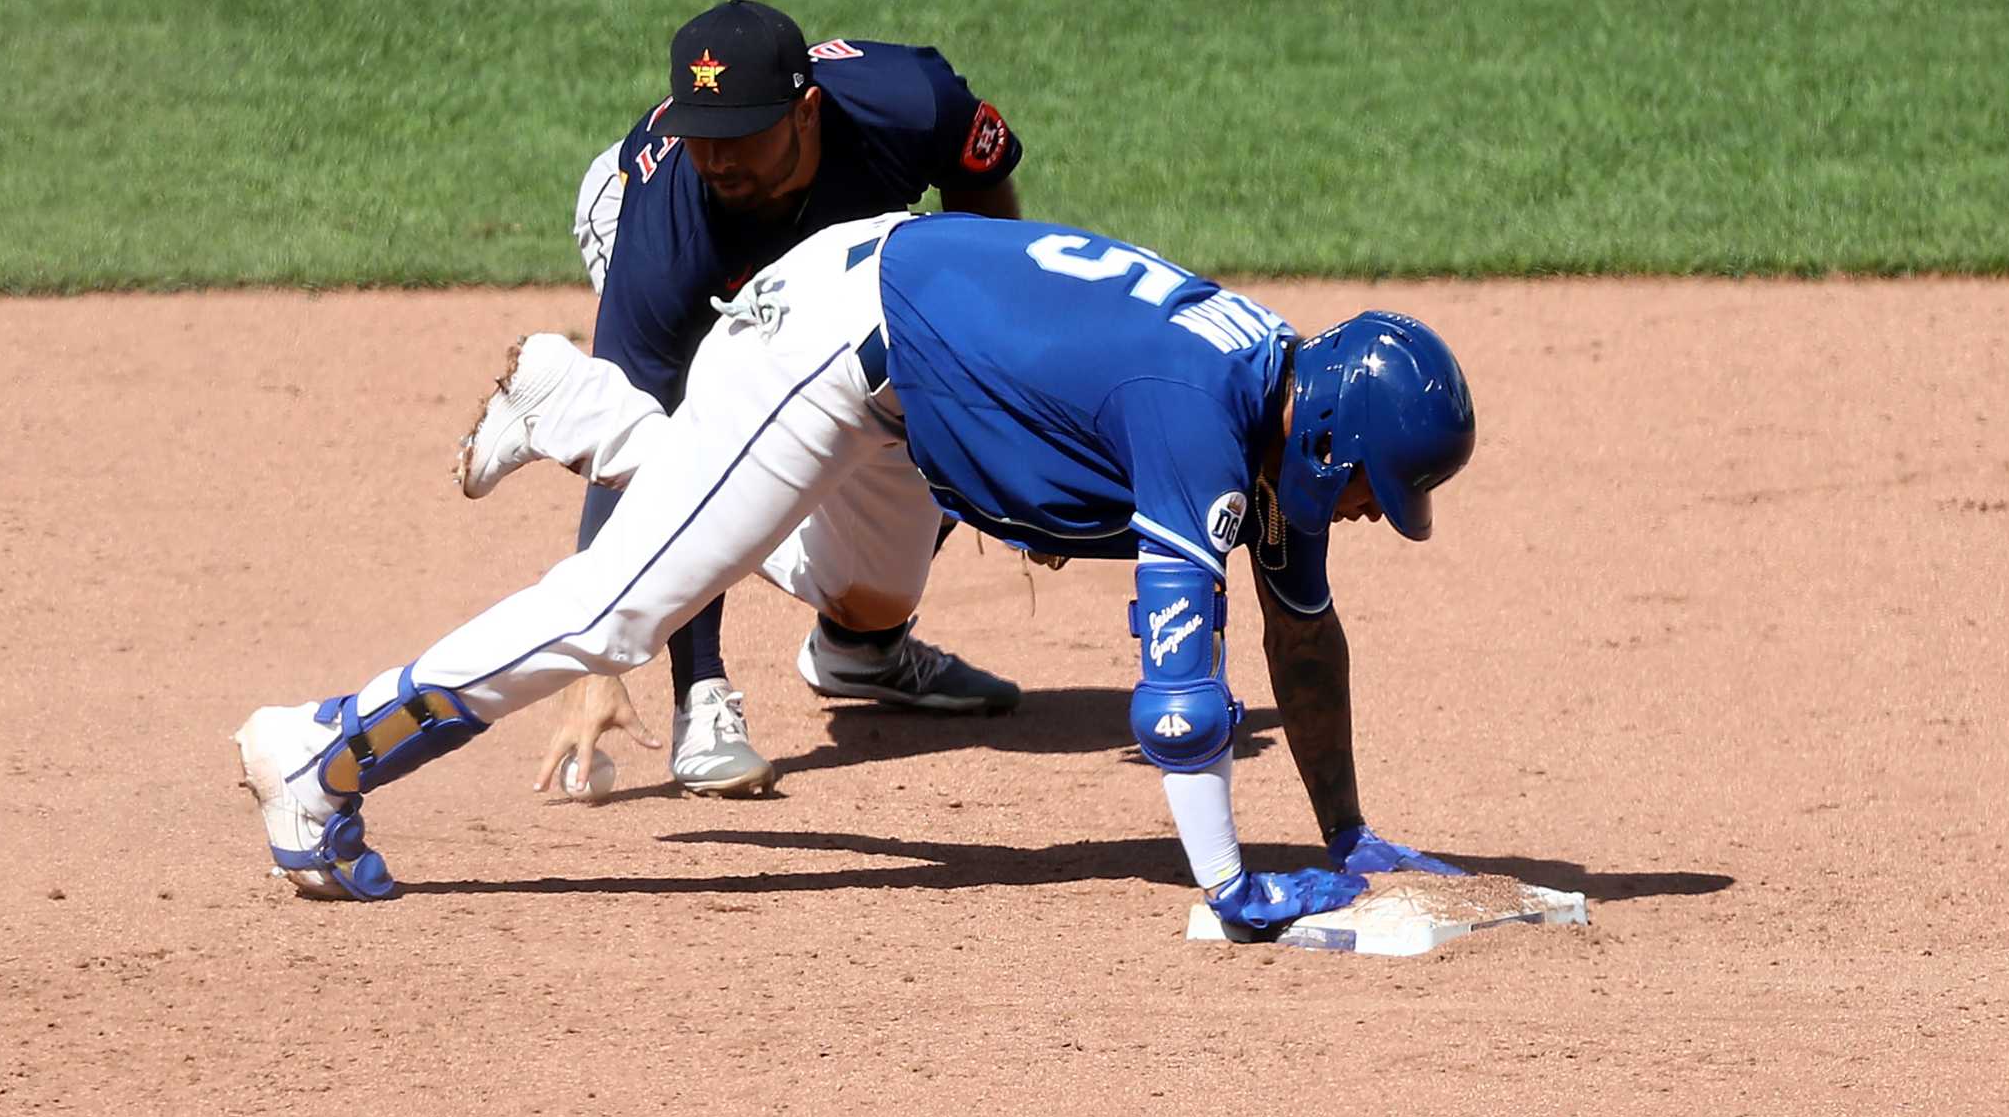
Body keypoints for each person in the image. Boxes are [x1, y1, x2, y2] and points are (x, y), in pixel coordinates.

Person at [237, 211, 1476, 939]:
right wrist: (1229, 887)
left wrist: (1351, 838)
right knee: (624, 610)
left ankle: (611, 422)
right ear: (1331, 445)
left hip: (905, 384)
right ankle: (322, 750)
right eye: (1380, 489)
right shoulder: (1204, 420)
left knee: (867, 600)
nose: (1372, 514)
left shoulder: (1289, 410)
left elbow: (1301, 637)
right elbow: (1175, 702)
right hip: (831, 338)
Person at [537, 0, 1026, 800]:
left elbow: (989, 206)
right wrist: (600, 649)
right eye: (700, 135)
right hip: (651, 234)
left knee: (924, 402)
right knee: (710, 433)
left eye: (740, 137)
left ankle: (860, 651)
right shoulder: (670, 230)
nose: (718, 160)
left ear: (806, 112)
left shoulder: (908, 103)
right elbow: (629, 434)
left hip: (818, 249)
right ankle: (701, 700)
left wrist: (997, 384)